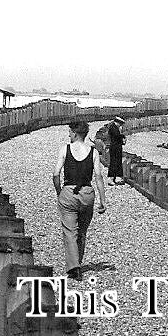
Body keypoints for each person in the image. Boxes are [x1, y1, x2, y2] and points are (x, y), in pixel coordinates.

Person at [52, 120, 106, 281]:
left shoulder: (65, 149)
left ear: (75, 133)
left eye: (69, 132)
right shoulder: (93, 152)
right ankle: (78, 262)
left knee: (70, 231)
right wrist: (102, 200)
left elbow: (56, 175)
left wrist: (59, 192)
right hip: (87, 193)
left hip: (68, 192)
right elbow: (98, 177)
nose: (68, 134)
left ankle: (74, 267)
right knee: (82, 231)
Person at [106, 116, 126, 185]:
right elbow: (117, 136)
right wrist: (122, 136)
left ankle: (117, 178)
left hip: (116, 147)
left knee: (117, 162)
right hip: (115, 147)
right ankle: (111, 179)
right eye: (120, 124)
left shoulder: (114, 127)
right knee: (114, 163)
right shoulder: (113, 128)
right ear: (118, 122)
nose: (120, 125)